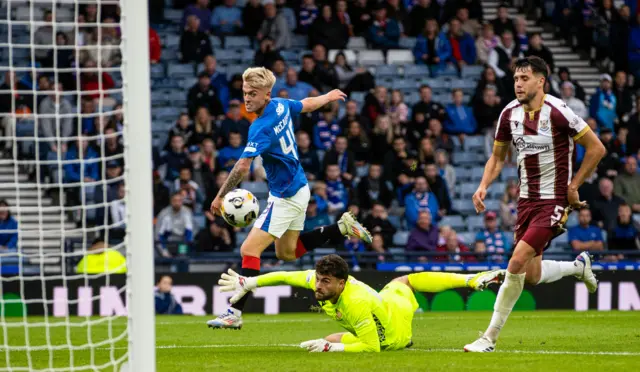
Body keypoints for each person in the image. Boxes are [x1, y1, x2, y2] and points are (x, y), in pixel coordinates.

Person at [207, 67, 372, 329]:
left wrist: (219, 196)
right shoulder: (281, 105)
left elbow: (241, 167)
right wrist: (327, 97)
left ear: (266, 94)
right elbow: (306, 104)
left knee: (249, 250)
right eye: (244, 93)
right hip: (299, 188)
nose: (246, 99)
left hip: (286, 195)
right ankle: (341, 228)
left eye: (252, 94)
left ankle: (234, 313)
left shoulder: (260, 127)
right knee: (287, 253)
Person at [465, 56, 606, 352]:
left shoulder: (558, 112)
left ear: (541, 81)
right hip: (526, 202)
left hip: (553, 202)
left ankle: (488, 338)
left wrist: (574, 185)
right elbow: (498, 156)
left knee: (515, 262)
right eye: (516, 78)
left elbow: (596, 148)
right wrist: (483, 186)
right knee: (532, 275)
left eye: (524, 78)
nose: (518, 84)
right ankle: (578, 268)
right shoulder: (509, 114)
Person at [215, 254, 504, 347]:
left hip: (394, 333)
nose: (318, 285)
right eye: (318, 278)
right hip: (386, 303)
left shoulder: (355, 300)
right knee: (405, 280)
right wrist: (249, 281)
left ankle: (471, 278)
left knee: (332, 343)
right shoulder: (321, 281)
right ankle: (471, 278)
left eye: (325, 281)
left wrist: (334, 350)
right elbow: (284, 276)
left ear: (341, 283)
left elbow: (372, 350)